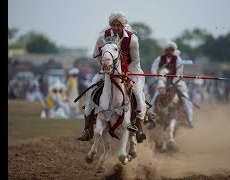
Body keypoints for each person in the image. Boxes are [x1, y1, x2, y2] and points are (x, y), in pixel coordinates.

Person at [77, 11, 147, 143]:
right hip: (107, 71)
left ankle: (139, 129)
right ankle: (87, 129)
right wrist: (105, 66)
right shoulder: (103, 37)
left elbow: (135, 61)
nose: (115, 28)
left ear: (123, 25)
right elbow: (96, 54)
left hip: (132, 71)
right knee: (91, 89)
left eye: (118, 25)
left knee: (138, 94)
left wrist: (126, 73)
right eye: (113, 25)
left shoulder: (132, 39)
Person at [150, 41, 194, 128]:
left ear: (174, 50)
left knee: (186, 100)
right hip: (162, 82)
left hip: (176, 83)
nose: (170, 51)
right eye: (168, 50)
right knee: (154, 99)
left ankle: (189, 120)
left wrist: (173, 82)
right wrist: (157, 78)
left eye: (171, 50)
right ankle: (151, 120)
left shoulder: (178, 59)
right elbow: (154, 69)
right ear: (165, 50)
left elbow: (179, 73)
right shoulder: (159, 59)